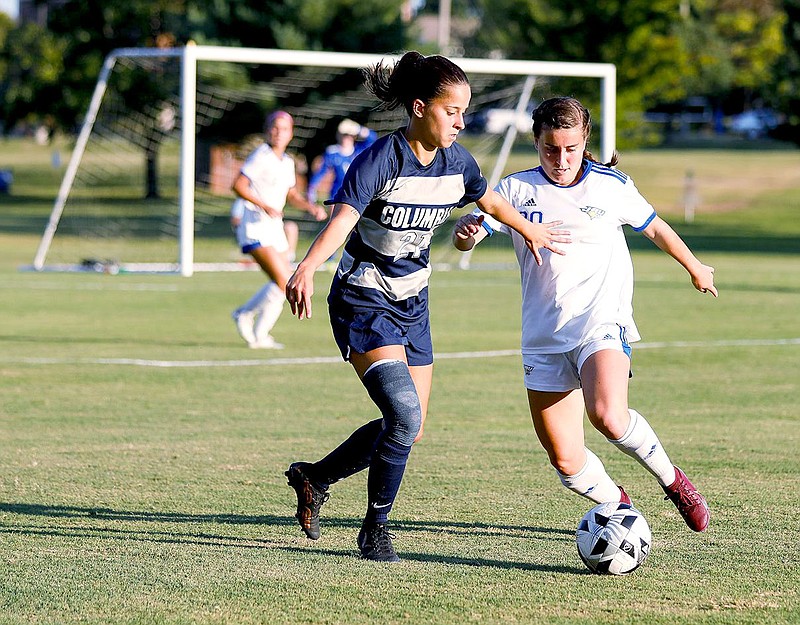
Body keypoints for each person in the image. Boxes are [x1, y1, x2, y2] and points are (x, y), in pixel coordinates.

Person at [283, 52, 570, 562]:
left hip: (415, 302)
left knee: (409, 427)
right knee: (404, 412)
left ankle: (315, 477)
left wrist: (531, 229)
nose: (461, 122)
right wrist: (305, 267)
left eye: (464, 112)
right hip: (363, 296)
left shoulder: (458, 163)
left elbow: (490, 201)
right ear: (419, 108)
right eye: (452, 111)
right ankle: (375, 530)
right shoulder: (379, 159)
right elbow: (343, 221)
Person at [452, 96, 715, 533]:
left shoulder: (610, 185)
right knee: (567, 461)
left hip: (600, 321)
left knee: (608, 414)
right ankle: (620, 506)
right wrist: (465, 235)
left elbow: (654, 226)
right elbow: (475, 235)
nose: (561, 159)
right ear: (536, 142)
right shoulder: (517, 190)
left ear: (584, 140)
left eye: (570, 149)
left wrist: (695, 266)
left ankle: (674, 483)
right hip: (542, 335)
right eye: (551, 149)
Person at [230, 111, 327, 349]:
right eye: (274, 127)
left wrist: (310, 207)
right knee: (284, 280)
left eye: (283, 128)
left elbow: (291, 194)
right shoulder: (260, 156)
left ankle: (260, 334)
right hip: (255, 227)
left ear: (291, 133)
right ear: (267, 130)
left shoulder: (286, 161)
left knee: (285, 282)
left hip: (274, 229)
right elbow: (238, 185)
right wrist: (264, 205)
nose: (278, 132)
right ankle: (245, 314)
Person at [306, 118, 378, 204]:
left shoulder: (359, 150)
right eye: (344, 134)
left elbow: (373, 138)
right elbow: (321, 171)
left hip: (357, 192)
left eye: (349, 135)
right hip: (337, 192)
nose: (346, 138)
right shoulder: (332, 152)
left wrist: (358, 128)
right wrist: (312, 187)